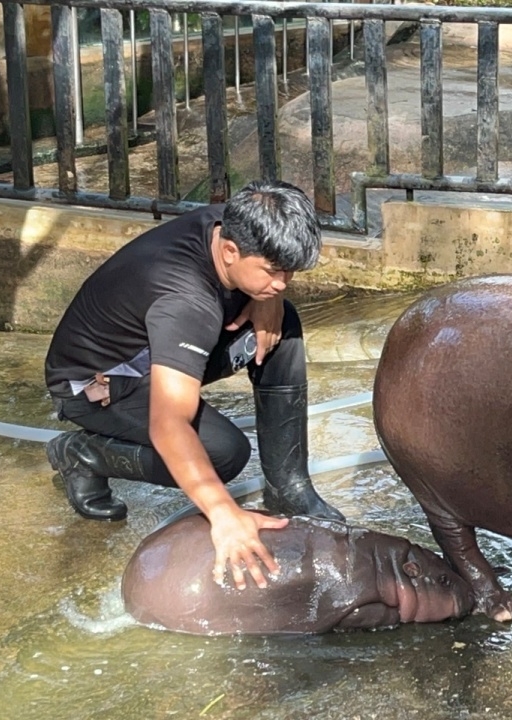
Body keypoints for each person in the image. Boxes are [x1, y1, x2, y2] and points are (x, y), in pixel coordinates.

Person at [43, 179, 345, 590]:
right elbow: (169, 424)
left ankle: (288, 488)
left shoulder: (229, 223)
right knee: (223, 454)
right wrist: (223, 513)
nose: (283, 281)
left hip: (153, 349)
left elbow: (266, 286)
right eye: (274, 271)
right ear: (230, 251)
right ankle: (84, 455)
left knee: (282, 323)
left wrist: (268, 297)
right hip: (97, 386)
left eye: (289, 271)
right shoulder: (186, 302)